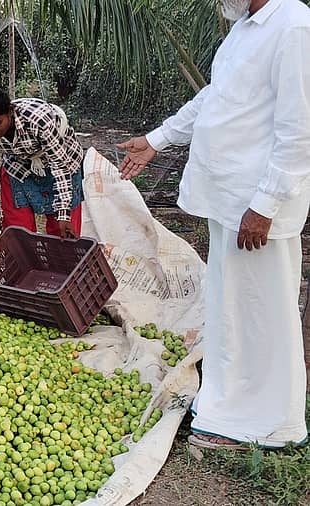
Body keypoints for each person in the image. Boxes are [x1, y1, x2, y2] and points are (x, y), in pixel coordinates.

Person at [117, 0, 310, 449]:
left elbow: (299, 130)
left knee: (262, 313)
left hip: (255, 207)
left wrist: (264, 205)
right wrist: (156, 139)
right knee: (232, 308)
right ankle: (227, 408)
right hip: (229, 201)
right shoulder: (245, 28)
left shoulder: (294, 26)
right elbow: (214, 97)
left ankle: (272, 425)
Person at [0, 86, 85, 242]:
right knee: (18, 232)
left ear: (10, 112)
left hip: (62, 158)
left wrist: (64, 214)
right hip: (19, 164)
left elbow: (60, 165)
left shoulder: (39, 120)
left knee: (62, 233)